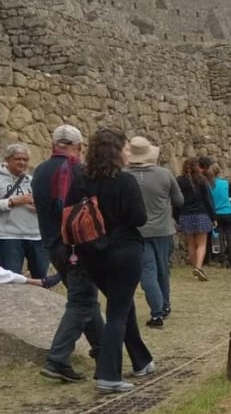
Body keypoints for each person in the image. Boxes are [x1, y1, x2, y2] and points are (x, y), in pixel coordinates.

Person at [65, 128, 154, 394]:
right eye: (126, 148)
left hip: (92, 253)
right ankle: (108, 374)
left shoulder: (81, 180)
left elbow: (70, 212)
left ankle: (141, 360)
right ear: (116, 152)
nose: (129, 153)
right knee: (117, 311)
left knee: (122, 305)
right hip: (124, 251)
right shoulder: (124, 182)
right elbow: (139, 218)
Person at [31, 124, 104, 382]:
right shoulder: (77, 171)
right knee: (82, 300)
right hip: (76, 246)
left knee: (86, 298)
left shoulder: (39, 171)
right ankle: (58, 359)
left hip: (52, 245)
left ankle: (103, 352)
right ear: (79, 147)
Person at [126, 136, 182, 328]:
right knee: (162, 269)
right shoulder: (165, 174)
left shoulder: (125, 176)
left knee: (147, 272)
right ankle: (164, 306)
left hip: (137, 231)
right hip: (163, 229)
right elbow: (179, 200)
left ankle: (157, 312)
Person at [0, 143, 49, 279]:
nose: (22, 162)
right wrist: (12, 202)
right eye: (18, 159)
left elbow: (46, 206)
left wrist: (39, 207)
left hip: (36, 237)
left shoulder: (32, 181)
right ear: (8, 160)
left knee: (42, 281)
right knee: (12, 281)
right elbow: (11, 202)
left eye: (25, 159)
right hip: (9, 237)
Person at [176, 157, 217, 281]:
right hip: (201, 214)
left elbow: (176, 200)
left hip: (185, 214)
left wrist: (176, 216)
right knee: (202, 244)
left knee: (191, 244)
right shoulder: (202, 180)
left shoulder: (179, 181)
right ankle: (199, 267)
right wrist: (213, 216)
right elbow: (208, 200)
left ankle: (195, 268)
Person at [204, 158, 231, 268]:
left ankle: (222, 258)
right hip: (228, 212)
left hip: (216, 213)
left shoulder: (208, 185)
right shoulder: (226, 183)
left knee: (219, 236)